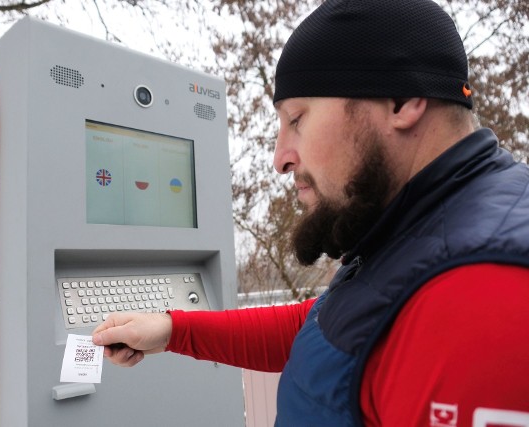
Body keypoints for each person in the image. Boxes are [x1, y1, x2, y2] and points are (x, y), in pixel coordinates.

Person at [93, 0, 529, 425]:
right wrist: (174, 330)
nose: (280, 157)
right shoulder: (424, 230)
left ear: (401, 101)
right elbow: (332, 327)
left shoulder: (482, 293)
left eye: (296, 119)